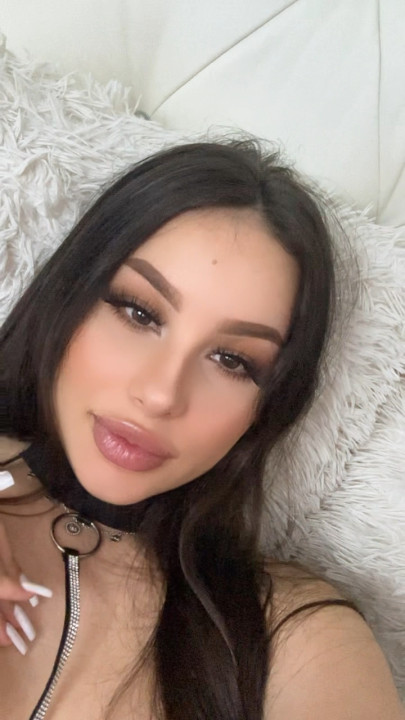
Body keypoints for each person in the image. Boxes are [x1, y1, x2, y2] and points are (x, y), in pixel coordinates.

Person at [0, 139, 403, 720]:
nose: (162, 394)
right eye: (139, 312)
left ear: (269, 408)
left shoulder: (293, 639)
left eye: (232, 361)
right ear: (70, 296)